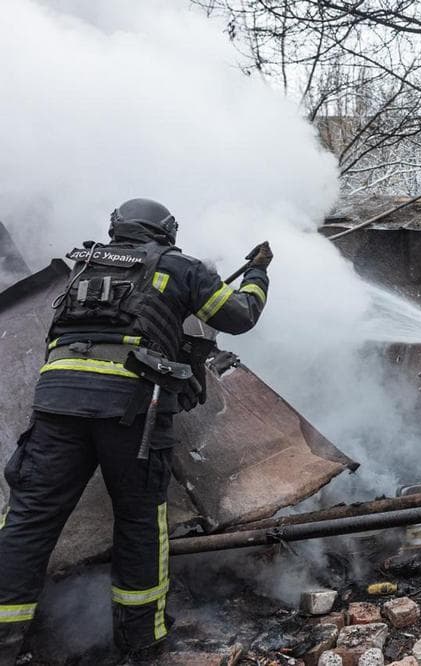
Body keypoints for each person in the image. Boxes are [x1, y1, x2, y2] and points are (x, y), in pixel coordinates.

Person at [0, 198, 272, 661]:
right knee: (140, 521)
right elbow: (240, 316)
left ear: (116, 228)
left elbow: (59, 336)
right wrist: (258, 274)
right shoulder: (180, 267)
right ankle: (141, 641)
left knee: (28, 520)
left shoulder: (82, 265)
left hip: (56, 404)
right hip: (130, 410)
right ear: (167, 231)